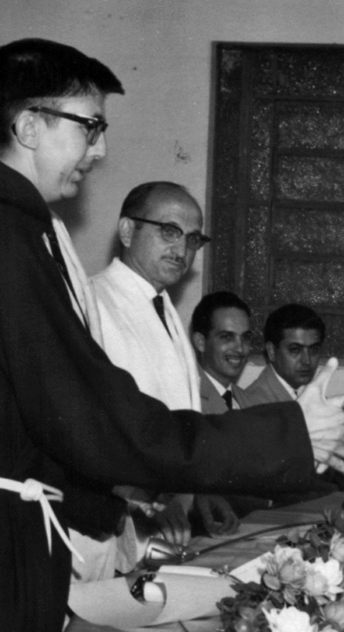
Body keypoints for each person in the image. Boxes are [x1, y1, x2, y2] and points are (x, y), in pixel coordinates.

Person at [0, 38, 344, 632]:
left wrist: (111, 501)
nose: (101, 150)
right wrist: (290, 431)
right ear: (28, 125)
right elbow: (97, 416)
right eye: (89, 127)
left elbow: (26, 417)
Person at [89, 182, 236, 562]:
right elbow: (106, 427)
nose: (182, 249)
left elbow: (179, 416)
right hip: (109, 526)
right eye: (169, 232)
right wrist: (157, 499)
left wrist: (193, 493)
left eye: (192, 239)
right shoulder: (94, 303)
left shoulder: (163, 307)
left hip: (164, 528)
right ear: (126, 231)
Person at [244, 303, 325, 405]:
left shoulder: (313, 394)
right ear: (272, 352)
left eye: (314, 350)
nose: (307, 361)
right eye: (295, 349)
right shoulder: (253, 406)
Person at [190, 290, 253, 414]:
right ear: (201, 342)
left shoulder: (248, 400)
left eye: (245, 337)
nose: (240, 348)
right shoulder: (188, 399)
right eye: (227, 337)